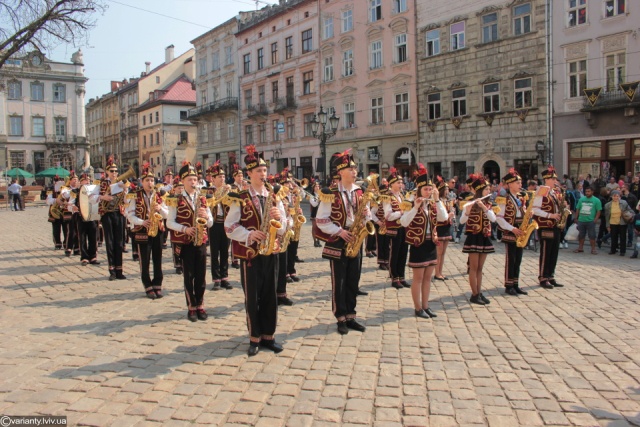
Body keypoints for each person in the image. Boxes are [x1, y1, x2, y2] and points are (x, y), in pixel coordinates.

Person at [225, 145, 286, 356]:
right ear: (249, 174)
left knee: (270, 295)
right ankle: (254, 337)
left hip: (271, 251)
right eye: (258, 171)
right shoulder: (239, 197)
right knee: (253, 297)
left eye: (264, 170)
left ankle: (269, 336)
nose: (263, 174)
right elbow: (229, 227)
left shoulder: (274, 195)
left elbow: (285, 224)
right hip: (250, 254)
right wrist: (249, 235)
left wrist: (280, 220)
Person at [316, 149, 370, 335]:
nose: (355, 172)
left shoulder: (360, 191)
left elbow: (367, 213)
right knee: (339, 281)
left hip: (355, 238)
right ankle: (340, 318)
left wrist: (365, 216)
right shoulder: (329, 192)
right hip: (338, 241)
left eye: (355, 168)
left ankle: (351, 316)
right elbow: (321, 220)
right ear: (340, 172)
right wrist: (340, 232)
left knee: (353, 280)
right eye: (350, 169)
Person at [167, 161, 213, 321]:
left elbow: (211, 222)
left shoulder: (203, 199)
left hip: (200, 242)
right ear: (183, 181)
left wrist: (207, 217)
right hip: (186, 243)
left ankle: (200, 304)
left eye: (195, 180)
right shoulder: (175, 199)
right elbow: (169, 222)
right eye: (190, 180)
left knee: (201, 276)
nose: (193, 183)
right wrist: (185, 229)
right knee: (189, 275)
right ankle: (191, 306)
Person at [400, 166, 448, 318]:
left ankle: (426, 306)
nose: (428, 192)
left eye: (430, 189)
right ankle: (418, 307)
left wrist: (437, 199)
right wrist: (415, 207)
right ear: (419, 190)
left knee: (428, 278)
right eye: (426, 189)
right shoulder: (411, 203)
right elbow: (403, 222)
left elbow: (444, 218)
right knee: (418, 278)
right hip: (418, 244)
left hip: (431, 243)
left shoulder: (433, 205)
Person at [127, 163, 168, 299]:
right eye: (147, 181)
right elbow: (129, 215)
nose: (150, 183)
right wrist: (142, 221)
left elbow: (167, 214)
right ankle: (147, 285)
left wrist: (160, 209)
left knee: (157, 258)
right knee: (144, 260)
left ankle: (158, 284)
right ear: (142, 182)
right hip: (142, 230)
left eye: (152, 180)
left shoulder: (159, 195)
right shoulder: (135, 195)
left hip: (157, 230)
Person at [460, 174, 496, 305]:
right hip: (474, 237)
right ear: (480, 191)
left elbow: (493, 219)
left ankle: (479, 292)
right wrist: (467, 212)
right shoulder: (469, 203)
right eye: (486, 190)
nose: (489, 192)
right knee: (474, 268)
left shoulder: (488, 204)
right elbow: (462, 221)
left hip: (484, 237)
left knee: (480, 268)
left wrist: (484, 207)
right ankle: (474, 294)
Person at [93, 157, 127, 280]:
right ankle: (112, 270)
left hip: (119, 213)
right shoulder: (101, 183)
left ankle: (119, 270)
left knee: (119, 242)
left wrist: (125, 190)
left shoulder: (120, 183)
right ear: (107, 172)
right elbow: (91, 197)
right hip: (107, 214)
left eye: (115, 171)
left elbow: (127, 200)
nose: (114, 173)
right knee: (110, 241)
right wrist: (103, 197)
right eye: (111, 171)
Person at [495, 169, 528, 296]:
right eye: (517, 182)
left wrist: (527, 214)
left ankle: (516, 283)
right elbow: (499, 217)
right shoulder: (503, 199)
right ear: (509, 184)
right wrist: (512, 228)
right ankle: (509, 285)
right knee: (511, 258)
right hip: (511, 231)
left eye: (520, 182)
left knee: (518, 258)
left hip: (520, 230)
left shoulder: (520, 198)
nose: (520, 185)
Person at [532, 166, 564, 289]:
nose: (555, 181)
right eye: (553, 179)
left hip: (555, 225)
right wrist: (550, 215)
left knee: (554, 251)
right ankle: (543, 277)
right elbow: (535, 210)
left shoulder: (554, 192)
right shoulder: (541, 191)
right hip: (545, 225)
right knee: (546, 252)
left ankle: (550, 275)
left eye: (555, 179)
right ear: (547, 179)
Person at [207, 161, 232, 291]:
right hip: (214, 224)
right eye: (219, 177)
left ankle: (224, 278)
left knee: (225, 252)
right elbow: (210, 204)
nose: (222, 179)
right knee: (214, 252)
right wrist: (221, 193)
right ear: (213, 179)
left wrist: (229, 192)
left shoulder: (229, 190)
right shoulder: (208, 191)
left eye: (223, 177)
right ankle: (216, 279)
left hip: (226, 223)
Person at [382, 167, 410, 289]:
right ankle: (394, 278)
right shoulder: (388, 197)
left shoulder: (402, 196)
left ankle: (401, 276)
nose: (401, 185)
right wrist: (402, 213)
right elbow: (387, 215)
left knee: (403, 253)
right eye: (398, 183)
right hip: (394, 230)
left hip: (403, 228)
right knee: (395, 253)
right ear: (392, 184)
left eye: (401, 183)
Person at [71, 173, 99, 266]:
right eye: (85, 180)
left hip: (92, 216)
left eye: (89, 180)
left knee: (93, 236)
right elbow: (70, 204)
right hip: (81, 216)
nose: (87, 182)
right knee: (82, 237)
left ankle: (93, 256)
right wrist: (73, 207)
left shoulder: (94, 191)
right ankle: (84, 257)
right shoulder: (75, 192)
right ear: (80, 182)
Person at [433, 176, 455, 281]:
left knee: (444, 252)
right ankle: (437, 273)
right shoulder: (438, 201)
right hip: (440, 226)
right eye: (445, 189)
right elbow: (438, 215)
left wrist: (452, 214)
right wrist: (449, 215)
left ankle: (440, 272)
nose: (447, 191)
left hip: (447, 226)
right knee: (439, 252)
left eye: (447, 189)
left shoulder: (447, 200)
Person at [573, 185, 602, 255]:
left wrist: (595, 219)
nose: (587, 193)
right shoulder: (581, 199)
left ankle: (593, 249)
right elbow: (578, 209)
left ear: (592, 192)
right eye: (586, 191)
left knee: (592, 235)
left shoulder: (596, 200)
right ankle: (580, 248)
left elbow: (599, 211)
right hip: (581, 220)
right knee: (581, 235)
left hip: (590, 221)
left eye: (589, 191)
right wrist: (576, 218)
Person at [603, 190, 633, 256]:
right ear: (611, 196)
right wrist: (607, 225)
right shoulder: (607, 205)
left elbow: (630, 210)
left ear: (619, 196)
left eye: (617, 196)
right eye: (614, 196)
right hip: (613, 222)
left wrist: (629, 215)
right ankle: (613, 250)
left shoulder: (624, 203)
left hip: (622, 222)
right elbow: (607, 216)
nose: (616, 197)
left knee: (623, 237)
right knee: (613, 237)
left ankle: (622, 251)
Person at [46, 175, 65, 249]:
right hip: (55, 211)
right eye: (57, 180)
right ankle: (57, 243)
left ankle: (66, 242)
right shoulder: (51, 188)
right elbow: (48, 200)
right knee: (56, 228)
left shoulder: (66, 188)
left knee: (66, 228)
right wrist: (55, 200)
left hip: (64, 210)